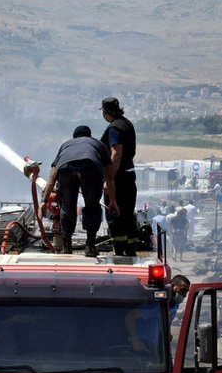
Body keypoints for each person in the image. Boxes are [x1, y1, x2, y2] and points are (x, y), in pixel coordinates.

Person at [42, 125, 109, 256]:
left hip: (66, 169)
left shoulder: (66, 145)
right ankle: (90, 246)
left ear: (75, 136)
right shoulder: (98, 145)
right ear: (89, 136)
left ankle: (67, 246)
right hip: (90, 167)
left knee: (67, 207)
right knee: (92, 207)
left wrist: (45, 199)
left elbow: (51, 177)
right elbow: (110, 175)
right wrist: (112, 200)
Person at [100, 97, 138, 256]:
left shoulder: (114, 128)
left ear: (105, 111)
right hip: (129, 175)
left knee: (115, 214)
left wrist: (109, 179)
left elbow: (116, 154)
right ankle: (131, 248)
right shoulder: (127, 124)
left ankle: (120, 250)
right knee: (128, 214)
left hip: (118, 178)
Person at [126, 274, 191, 351]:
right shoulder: (156, 305)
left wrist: (168, 333)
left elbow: (168, 320)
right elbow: (130, 316)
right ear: (172, 286)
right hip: (141, 344)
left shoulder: (174, 305)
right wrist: (135, 340)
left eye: (186, 291)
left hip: (155, 344)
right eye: (182, 290)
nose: (184, 295)